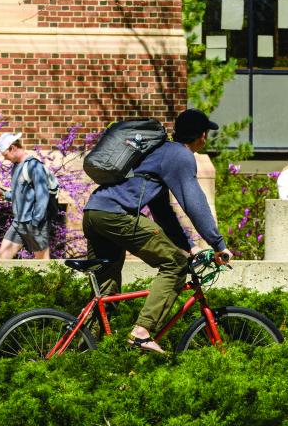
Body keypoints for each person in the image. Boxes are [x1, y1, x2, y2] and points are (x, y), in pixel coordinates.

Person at [83, 108, 232, 353]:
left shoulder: (160, 152)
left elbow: (162, 212)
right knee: (176, 264)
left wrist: (189, 246)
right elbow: (194, 202)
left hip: (95, 213)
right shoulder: (180, 156)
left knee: (105, 293)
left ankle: (85, 353)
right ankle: (142, 332)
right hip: (117, 215)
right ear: (202, 135)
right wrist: (218, 244)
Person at [0, 132, 51, 261]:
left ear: (13, 148)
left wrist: (35, 222)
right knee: (2, 262)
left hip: (34, 224)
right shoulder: (16, 167)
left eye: (5, 155)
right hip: (18, 223)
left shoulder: (34, 166)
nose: (5, 159)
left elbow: (43, 196)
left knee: (44, 265)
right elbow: (20, 194)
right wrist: (5, 195)